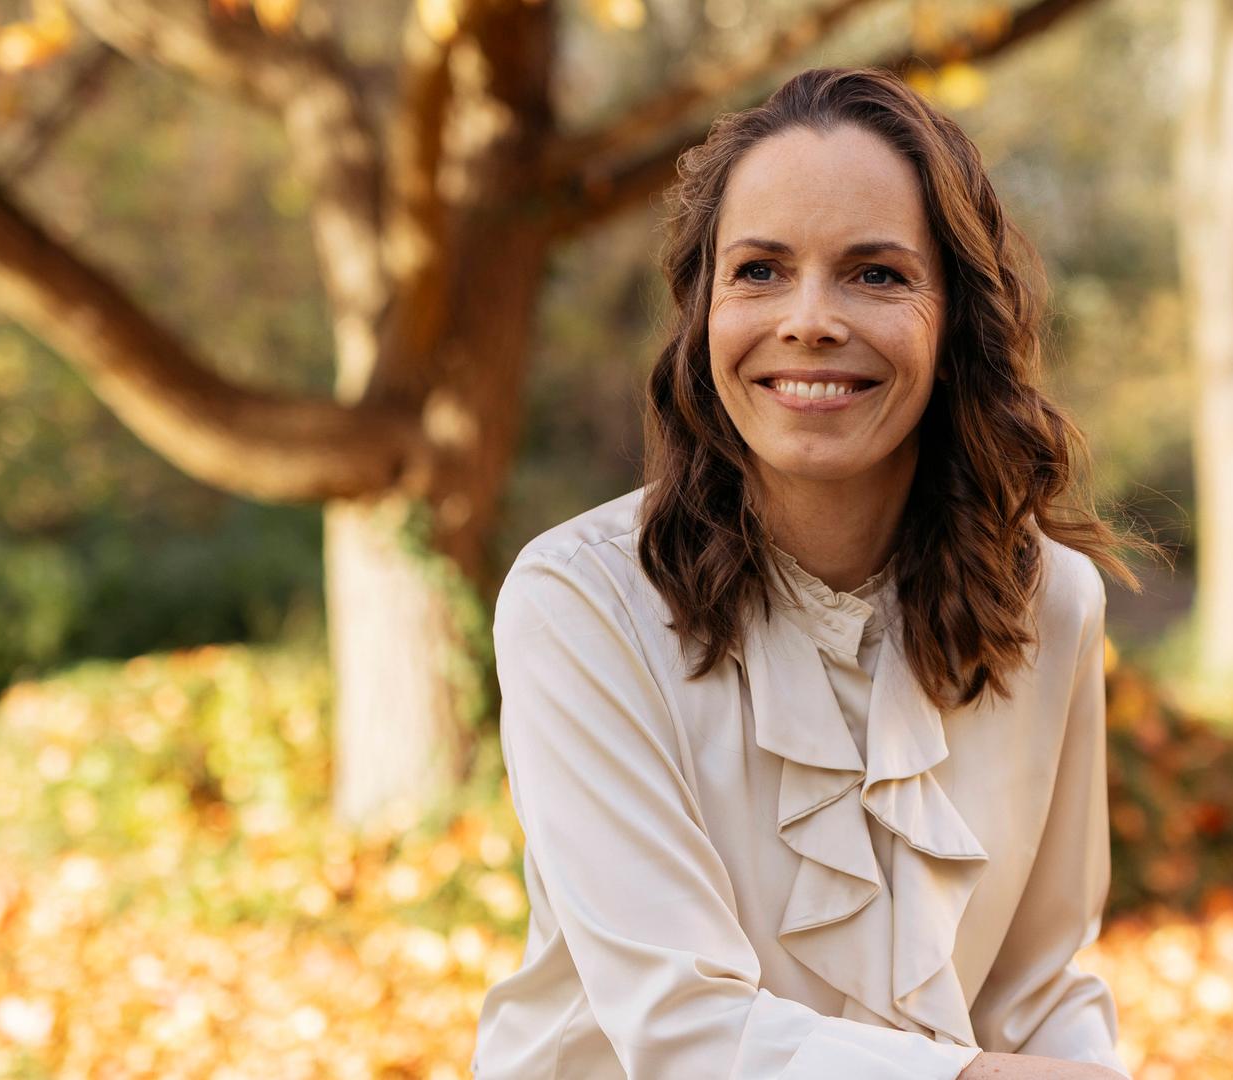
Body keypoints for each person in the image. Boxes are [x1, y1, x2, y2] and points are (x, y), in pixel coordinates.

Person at [472, 67, 1149, 1080]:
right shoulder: (578, 602)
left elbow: (1039, 990)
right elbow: (681, 1032)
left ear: (954, 314)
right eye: (759, 271)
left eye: (876, 273)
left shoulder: (1053, 603)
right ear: (704, 312)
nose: (810, 320)